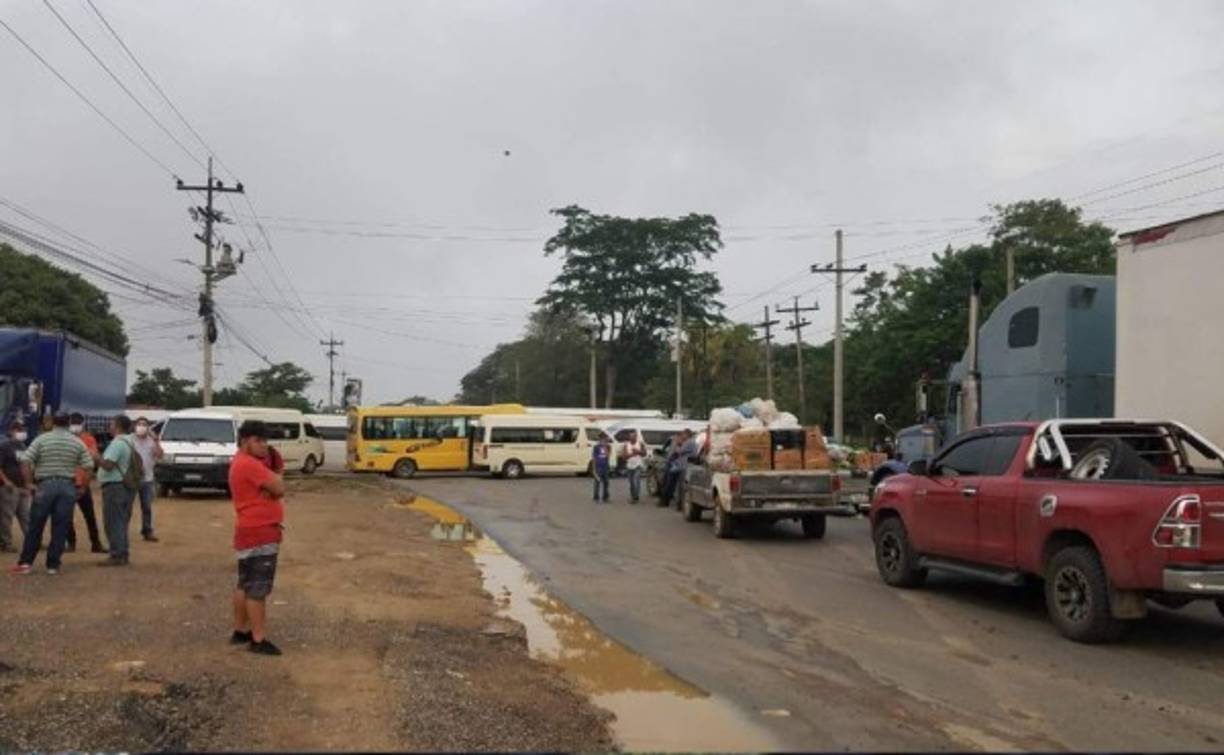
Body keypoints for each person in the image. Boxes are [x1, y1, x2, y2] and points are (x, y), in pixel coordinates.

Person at [11, 412, 94, 575]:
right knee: (61, 526)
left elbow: (25, 460)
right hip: (67, 487)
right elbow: (89, 466)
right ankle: (53, 565)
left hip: (45, 485)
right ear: (68, 423)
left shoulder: (42, 439)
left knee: (36, 525)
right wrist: (82, 487)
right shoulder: (76, 442)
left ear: (52, 423)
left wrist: (29, 483)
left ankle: (26, 563)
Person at [229, 420, 286, 656]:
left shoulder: (240, 461)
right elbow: (279, 487)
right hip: (260, 531)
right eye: (258, 440)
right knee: (257, 589)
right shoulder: (250, 464)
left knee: (245, 584)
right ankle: (258, 639)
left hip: (249, 530)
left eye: (265, 440)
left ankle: (240, 630)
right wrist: (275, 475)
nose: (264, 445)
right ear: (245, 441)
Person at [96, 415, 138, 567]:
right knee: (121, 522)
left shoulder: (117, 443)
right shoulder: (129, 441)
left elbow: (108, 465)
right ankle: (122, 553)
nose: (110, 426)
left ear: (118, 426)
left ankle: (117, 554)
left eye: (112, 424)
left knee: (113, 522)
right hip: (124, 486)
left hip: (114, 486)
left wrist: (95, 457)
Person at [66, 413, 105, 554]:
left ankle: (95, 543)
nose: (75, 425)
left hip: (83, 482)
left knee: (89, 516)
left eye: (78, 423)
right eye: (73, 422)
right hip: (69, 482)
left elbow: (94, 457)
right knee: (67, 516)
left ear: (82, 424)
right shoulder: (65, 439)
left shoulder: (89, 439)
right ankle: (71, 543)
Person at [130, 417, 163, 542]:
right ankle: (122, 530)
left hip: (147, 479)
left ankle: (147, 530)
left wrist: (156, 441)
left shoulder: (151, 441)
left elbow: (159, 455)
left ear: (148, 427)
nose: (141, 427)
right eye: (139, 424)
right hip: (132, 478)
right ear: (135, 426)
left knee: (147, 507)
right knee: (127, 506)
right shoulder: (130, 439)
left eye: (144, 424)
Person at [0, 420, 32, 552]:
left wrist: (28, 483)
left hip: (22, 486)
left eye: (23, 430)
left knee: (26, 516)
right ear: (12, 431)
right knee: (6, 516)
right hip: (9, 487)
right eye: (19, 430)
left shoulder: (22, 446)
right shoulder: (4, 446)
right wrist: (6, 481)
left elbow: (25, 465)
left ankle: (33, 541)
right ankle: (6, 543)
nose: (22, 432)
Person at [670, 430, 699, 511]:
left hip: (685, 466)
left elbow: (679, 451)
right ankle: (680, 503)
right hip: (685, 465)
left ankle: (680, 504)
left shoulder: (689, 442)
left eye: (683, 434)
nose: (682, 436)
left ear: (687, 434)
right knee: (681, 486)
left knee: (681, 486)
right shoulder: (691, 442)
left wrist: (676, 444)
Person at [622, 431, 647, 504]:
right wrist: (632, 454)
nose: (632, 438)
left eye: (633, 436)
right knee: (631, 483)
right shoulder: (626, 445)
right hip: (629, 466)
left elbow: (644, 454)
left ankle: (635, 497)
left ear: (636, 437)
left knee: (636, 481)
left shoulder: (640, 444)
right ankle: (633, 496)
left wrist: (638, 451)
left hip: (638, 465)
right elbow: (624, 457)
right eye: (630, 436)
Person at [591, 435, 612, 503]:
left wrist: (605, 447)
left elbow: (608, 455)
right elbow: (594, 458)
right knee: (597, 482)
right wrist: (594, 468)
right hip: (598, 467)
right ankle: (596, 497)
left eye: (606, 440)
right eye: (603, 440)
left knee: (606, 482)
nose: (604, 441)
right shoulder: (596, 447)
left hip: (605, 467)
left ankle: (605, 497)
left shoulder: (608, 447)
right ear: (600, 440)